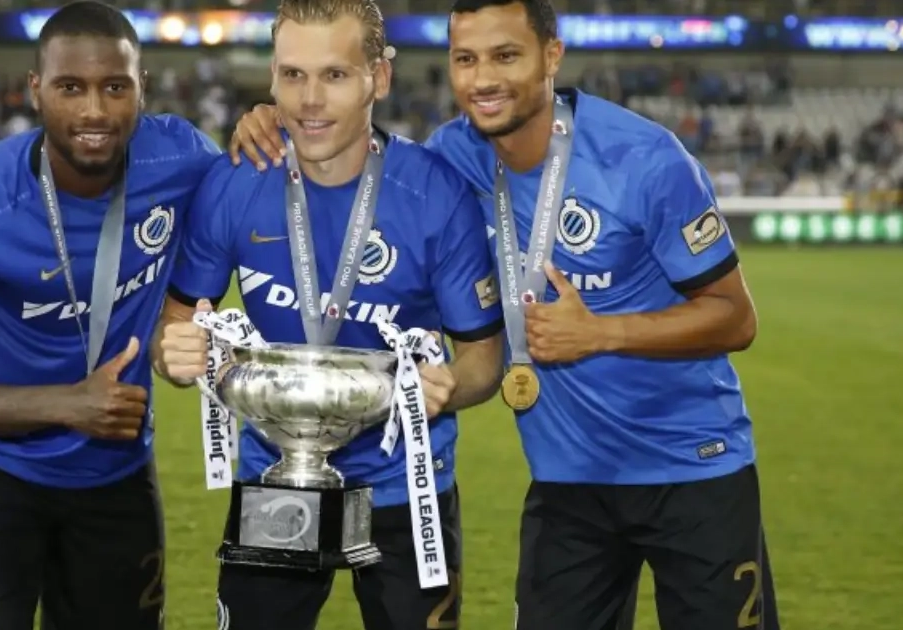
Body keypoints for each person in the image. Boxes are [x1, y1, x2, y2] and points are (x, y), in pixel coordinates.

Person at [225, 1, 784, 629]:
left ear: (552, 55)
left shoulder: (643, 160)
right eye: (466, 59)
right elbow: (360, 160)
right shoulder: (452, 160)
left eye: (506, 56)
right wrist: (275, 120)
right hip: (567, 483)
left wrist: (601, 334)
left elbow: (735, 318)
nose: (483, 78)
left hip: (693, 468)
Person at [150, 1, 506, 629]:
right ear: (272, 77)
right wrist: (173, 352)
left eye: (335, 75)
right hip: (277, 475)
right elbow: (177, 324)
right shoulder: (236, 182)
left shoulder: (435, 195)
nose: (310, 100)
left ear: (379, 78)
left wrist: (450, 385)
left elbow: (484, 356)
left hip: (403, 484)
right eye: (293, 75)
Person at [0, 2, 221, 628]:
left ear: (142, 88)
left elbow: (256, 194)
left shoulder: (182, 159)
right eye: (70, 87)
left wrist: (265, 124)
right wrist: (71, 405)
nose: (95, 111)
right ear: (36, 89)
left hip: (114, 472)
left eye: (115, 87)